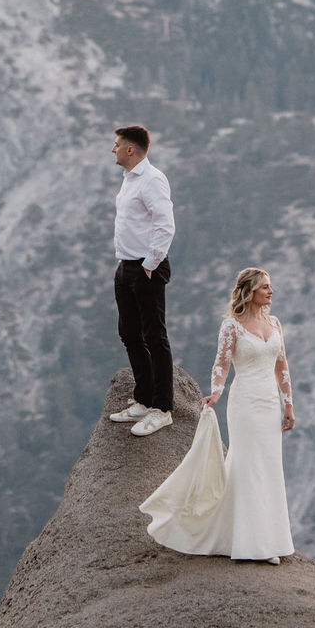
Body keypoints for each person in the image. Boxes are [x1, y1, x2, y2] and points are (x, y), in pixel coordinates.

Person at [139, 266, 295, 563]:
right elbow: (221, 363)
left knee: (270, 467)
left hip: (269, 404)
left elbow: (281, 365)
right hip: (245, 403)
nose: (271, 291)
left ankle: (269, 540)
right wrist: (216, 392)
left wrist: (288, 404)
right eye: (265, 287)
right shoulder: (232, 326)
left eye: (270, 286)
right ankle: (251, 545)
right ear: (249, 292)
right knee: (248, 466)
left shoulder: (274, 323)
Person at [108, 124, 176, 437]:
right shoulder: (129, 180)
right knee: (129, 334)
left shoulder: (152, 179)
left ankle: (162, 409)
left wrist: (149, 264)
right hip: (126, 266)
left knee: (154, 335)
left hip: (146, 268)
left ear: (130, 149)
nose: (114, 149)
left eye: (117, 144)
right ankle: (144, 398)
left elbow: (165, 225)